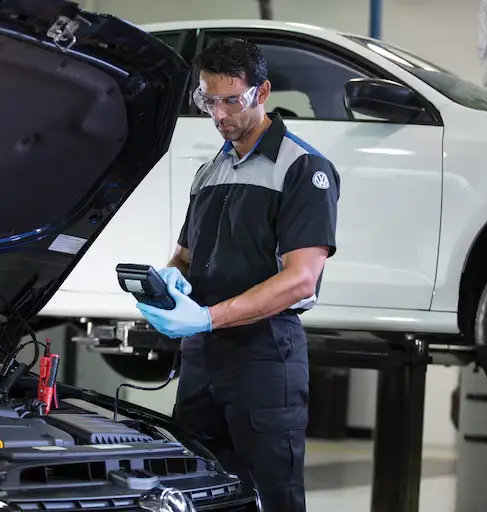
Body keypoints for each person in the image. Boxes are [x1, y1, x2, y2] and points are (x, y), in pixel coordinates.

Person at [134, 37, 341, 512]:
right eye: (210, 100)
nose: (220, 114)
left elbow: (301, 279)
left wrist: (207, 318)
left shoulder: (304, 168)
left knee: (272, 496)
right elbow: (184, 257)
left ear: (262, 91)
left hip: (265, 355)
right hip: (202, 358)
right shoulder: (210, 171)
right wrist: (167, 284)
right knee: (196, 490)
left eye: (232, 99)